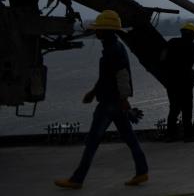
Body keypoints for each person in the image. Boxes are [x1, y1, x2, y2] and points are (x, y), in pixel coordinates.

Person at [55, 10, 149, 189]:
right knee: (130, 138)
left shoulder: (113, 50)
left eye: (99, 29)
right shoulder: (113, 47)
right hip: (112, 100)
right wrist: (93, 92)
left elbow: (121, 75)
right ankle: (142, 171)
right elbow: (108, 76)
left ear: (106, 30)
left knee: (92, 141)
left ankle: (77, 179)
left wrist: (124, 98)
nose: (96, 31)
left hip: (109, 103)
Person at [161, 21, 194, 141]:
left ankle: (170, 135)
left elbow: (162, 58)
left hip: (171, 81)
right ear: (193, 35)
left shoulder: (171, 42)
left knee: (173, 108)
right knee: (187, 109)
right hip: (185, 81)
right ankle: (188, 135)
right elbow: (192, 63)